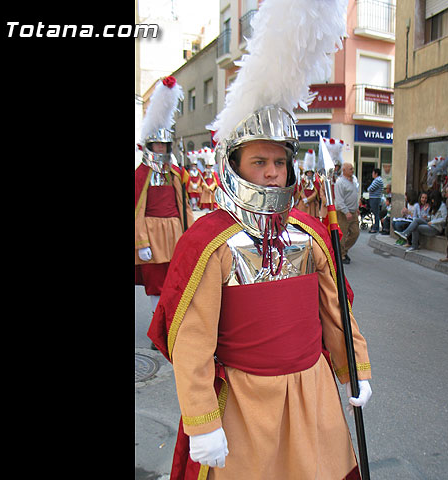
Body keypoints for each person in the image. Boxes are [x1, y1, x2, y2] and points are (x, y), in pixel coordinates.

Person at [148, 1, 372, 478]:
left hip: (312, 393)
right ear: (235, 167)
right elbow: (192, 342)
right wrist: (202, 419)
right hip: (244, 404)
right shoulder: (212, 242)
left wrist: (357, 369)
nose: (272, 174)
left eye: (279, 163)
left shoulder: (309, 233)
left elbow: (337, 313)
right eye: (259, 163)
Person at [135, 75, 194, 338]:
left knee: (176, 281)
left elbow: (185, 208)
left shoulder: (176, 173)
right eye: (157, 144)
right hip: (151, 235)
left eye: (164, 144)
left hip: (174, 234)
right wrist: (141, 243)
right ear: (149, 145)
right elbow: (136, 212)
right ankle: (156, 329)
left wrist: (191, 234)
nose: (161, 148)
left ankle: (171, 324)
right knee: (155, 285)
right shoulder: (140, 174)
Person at [335, 162, 360, 264]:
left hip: (353, 212)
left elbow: (354, 195)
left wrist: (357, 208)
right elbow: (339, 199)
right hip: (343, 213)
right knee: (343, 235)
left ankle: (343, 251)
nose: (352, 170)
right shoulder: (340, 182)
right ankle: (341, 255)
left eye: (353, 169)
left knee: (355, 233)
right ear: (344, 170)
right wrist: (346, 212)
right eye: (350, 169)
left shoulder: (353, 180)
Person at [295, 149, 321, 218]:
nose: (309, 174)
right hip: (303, 204)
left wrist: (309, 199)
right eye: (308, 172)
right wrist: (304, 199)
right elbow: (300, 190)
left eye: (311, 172)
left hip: (312, 204)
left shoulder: (315, 182)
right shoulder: (302, 181)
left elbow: (316, 192)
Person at [366, 167, 384, 233]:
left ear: (376, 173)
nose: (372, 174)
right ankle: (376, 227)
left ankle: (375, 228)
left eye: (373, 173)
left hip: (375, 198)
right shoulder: (378, 180)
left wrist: (369, 188)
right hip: (376, 198)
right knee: (376, 213)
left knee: (376, 213)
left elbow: (370, 188)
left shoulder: (377, 180)